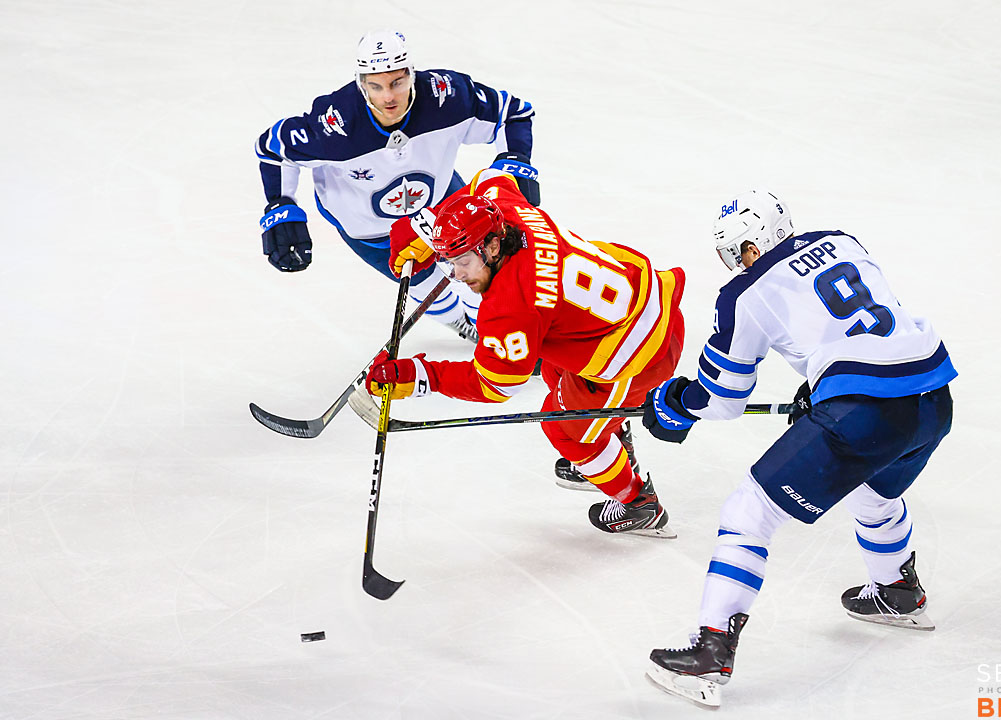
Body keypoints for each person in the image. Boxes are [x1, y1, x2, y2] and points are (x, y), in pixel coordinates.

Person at [640, 189, 957, 707]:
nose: (737, 263)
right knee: (872, 491)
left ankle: (710, 652)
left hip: (866, 409)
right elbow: (861, 324)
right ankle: (897, 590)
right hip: (933, 398)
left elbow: (723, 397)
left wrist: (676, 403)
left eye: (738, 251)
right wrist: (822, 383)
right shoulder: (843, 241)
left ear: (751, 245)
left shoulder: (745, 293)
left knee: (748, 512)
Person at [365, 168, 686, 537]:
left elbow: (495, 385)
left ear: (492, 247)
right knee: (553, 371)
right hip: (645, 296)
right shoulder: (506, 212)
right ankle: (610, 433)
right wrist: (438, 225)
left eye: (462, 261)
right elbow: (494, 178)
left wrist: (421, 376)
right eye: (449, 262)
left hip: (639, 355)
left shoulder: (511, 307)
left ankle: (637, 502)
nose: (455, 274)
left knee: (561, 427)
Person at [254, 30, 540, 342]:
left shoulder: (446, 96)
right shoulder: (334, 125)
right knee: (421, 283)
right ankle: (462, 322)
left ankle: (494, 323)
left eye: (396, 82)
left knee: (485, 262)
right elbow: (273, 149)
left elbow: (512, 113)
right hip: (369, 227)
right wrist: (281, 207)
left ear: (411, 74)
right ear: (361, 84)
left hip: (441, 200)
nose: (388, 97)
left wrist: (514, 164)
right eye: (375, 86)